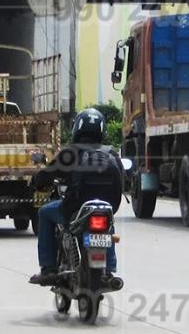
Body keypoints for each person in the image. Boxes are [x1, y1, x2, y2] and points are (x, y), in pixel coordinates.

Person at [29, 108, 124, 285]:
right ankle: (109, 270)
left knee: (44, 213)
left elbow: (46, 176)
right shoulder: (111, 153)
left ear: (77, 128)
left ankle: (48, 268)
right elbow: (125, 177)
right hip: (107, 207)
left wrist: (36, 181)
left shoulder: (70, 153)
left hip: (75, 207)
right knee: (106, 225)